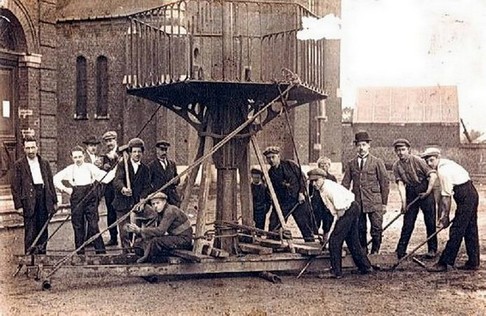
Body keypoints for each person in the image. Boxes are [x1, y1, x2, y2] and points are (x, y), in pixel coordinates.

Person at [421, 148, 480, 272]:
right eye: (427, 161)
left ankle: (445, 262)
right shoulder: (446, 163)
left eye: (432, 160)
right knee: (470, 228)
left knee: (457, 229)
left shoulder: (443, 171)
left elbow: (446, 198)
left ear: (438, 158)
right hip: (470, 193)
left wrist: (445, 217)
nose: (430, 164)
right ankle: (473, 262)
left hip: (466, 195)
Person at [307, 168, 373, 278]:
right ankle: (366, 267)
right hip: (350, 209)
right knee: (352, 240)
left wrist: (334, 227)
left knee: (334, 240)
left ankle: (336, 272)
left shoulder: (328, 188)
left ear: (323, 178)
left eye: (316, 180)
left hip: (348, 210)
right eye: (311, 181)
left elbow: (341, 211)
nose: (313, 183)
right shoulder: (322, 188)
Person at [342, 131, 389, 254]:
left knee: (376, 228)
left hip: (375, 201)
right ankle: (363, 253)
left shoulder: (377, 162)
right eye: (359, 145)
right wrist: (343, 202)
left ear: (369, 145)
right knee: (360, 228)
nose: (361, 148)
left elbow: (384, 183)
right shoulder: (351, 163)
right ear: (355, 146)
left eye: (364, 144)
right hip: (358, 202)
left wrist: (384, 203)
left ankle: (375, 252)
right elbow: (345, 184)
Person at [53, 146, 107, 254]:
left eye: (80, 157)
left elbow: (105, 177)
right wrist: (65, 189)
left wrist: (116, 168)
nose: (78, 159)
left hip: (90, 196)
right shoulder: (70, 169)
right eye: (75, 157)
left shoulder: (90, 167)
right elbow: (55, 178)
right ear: (71, 157)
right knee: (78, 225)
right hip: (76, 197)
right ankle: (80, 254)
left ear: (84, 156)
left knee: (93, 225)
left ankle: (101, 253)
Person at [11, 136, 58, 254]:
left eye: (33, 147)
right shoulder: (19, 165)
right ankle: (30, 260)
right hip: (28, 201)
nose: (31, 151)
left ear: (37, 148)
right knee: (30, 231)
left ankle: (42, 256)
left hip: (43, 198)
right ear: (24, 149)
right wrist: (18, 206)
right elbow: (15, 187)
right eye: (28, 148)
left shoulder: (44, 163)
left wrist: (54, 201)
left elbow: (50, 183)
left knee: (43, 230)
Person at [392, 138, 438, 259]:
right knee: (408, 222)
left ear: (409, 150)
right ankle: (401, 250)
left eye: (403, 149)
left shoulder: (417, 160)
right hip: (410, 191)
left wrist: (427, 192)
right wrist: (403, 203)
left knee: (430, 220)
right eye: (398, 150)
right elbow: (401, 184)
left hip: (424, 188)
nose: (401, 153)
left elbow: (432, 175)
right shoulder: (396, 166)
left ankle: (432, 249)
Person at [263, 146, 315, 242]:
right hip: (283, 202)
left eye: (273, 157)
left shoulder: (290, 165)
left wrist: (301, 192)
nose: (271, 160)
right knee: (274, 223)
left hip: (298, 200)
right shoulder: (270, 173)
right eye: (268, 158)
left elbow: (302, 178)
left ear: (278, 156)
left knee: (304, 223)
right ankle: (274, 242)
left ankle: (310, 242)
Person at [126, 192, 193, 263]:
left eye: (158, 203)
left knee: (156, 241)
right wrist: (139, 233)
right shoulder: (160, 212)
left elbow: (160, 231)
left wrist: (140, 230)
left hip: (184, 239)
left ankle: (147, 258)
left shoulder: (170, 211)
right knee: (141, 243)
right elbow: (153, 231)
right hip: (175, 237)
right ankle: (152, 257)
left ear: (164, 202)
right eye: (153, 204)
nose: (155, 206)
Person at [112, 137, 152, 252]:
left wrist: (142, 199)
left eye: (139, 151)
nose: (137, 154)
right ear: (130, 153)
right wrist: (123, 189)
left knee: (139, 225)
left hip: (137, 202)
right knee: (124, 230)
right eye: (134, 151)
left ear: (142, 153)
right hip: (122, 201)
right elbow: (117, 181)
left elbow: (147, 186)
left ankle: (138, 247)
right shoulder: (122, 165)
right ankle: (126, 251)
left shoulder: (145, 169)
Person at [309, 156, 337, 245]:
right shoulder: (314, 178)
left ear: (329, 166)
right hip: (317, 204)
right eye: (322, 165)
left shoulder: (332, 178)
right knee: (315, 221)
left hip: (327, 204)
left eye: (326, 165)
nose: (324, 167)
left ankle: (325, 240)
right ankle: (315, 240)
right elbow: (310, 191)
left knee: (327, 222)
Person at [100, 131, 120, 246]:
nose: (109, 143)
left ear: (115, 140)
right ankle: (113, 237)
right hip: (109, 188)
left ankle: (128, 238)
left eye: (111, 140)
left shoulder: (122, 152)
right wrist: (103, 167)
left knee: (123, 212)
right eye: (107, 141)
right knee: (110, 213)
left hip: (120, 187)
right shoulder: (104, 156)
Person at [148, 140, 181, 207]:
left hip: (172, 198)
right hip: (159, 197)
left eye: (166, 150)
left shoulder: (172, 164)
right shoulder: (151, 166)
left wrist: (176, 180)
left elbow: (176, 177)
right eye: (162, 150)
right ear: (157, 150)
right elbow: (148, 183)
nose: (164, 152)